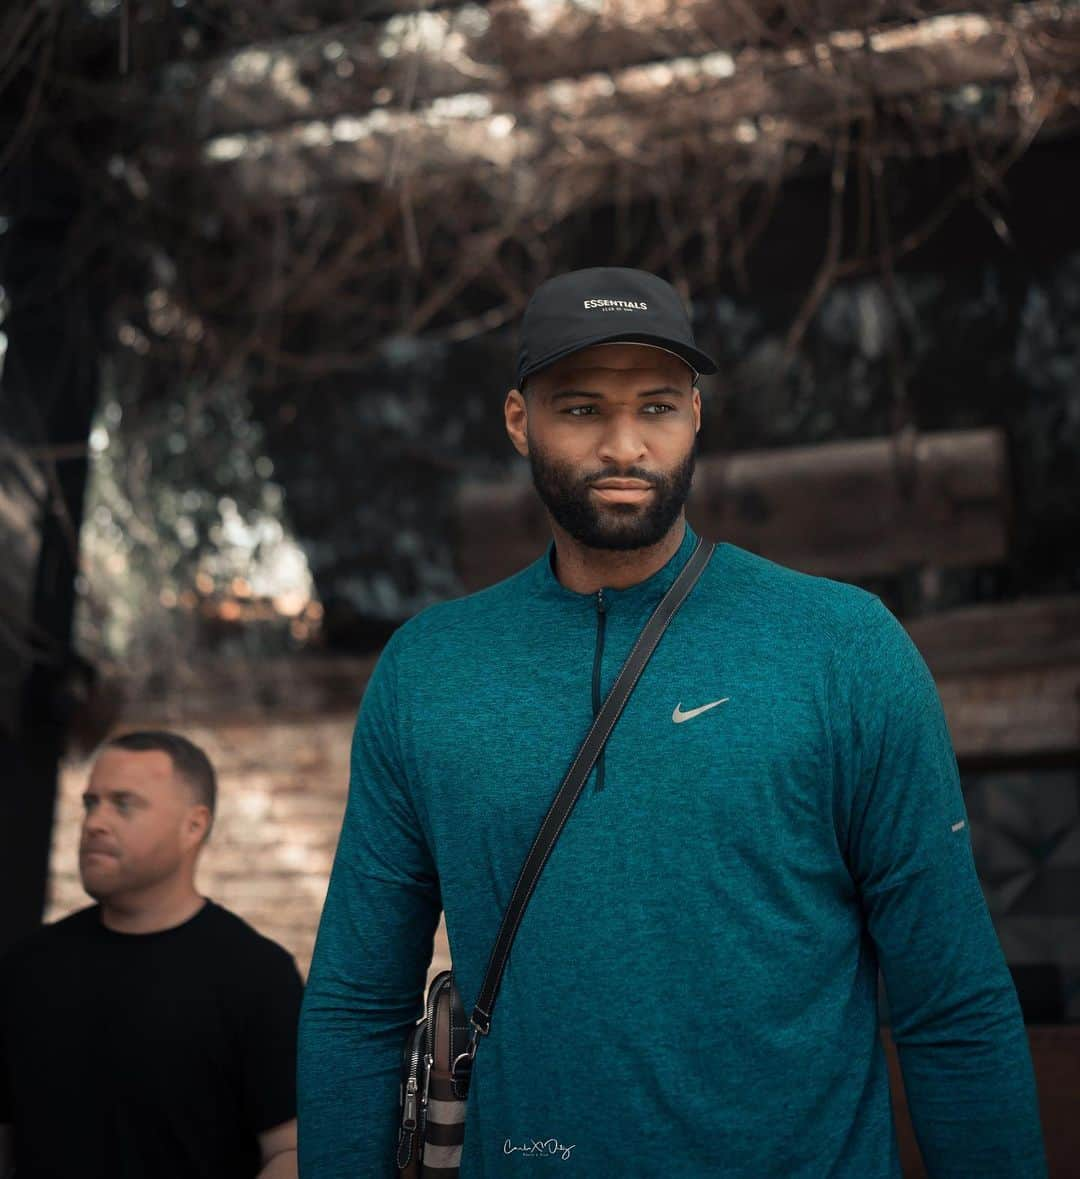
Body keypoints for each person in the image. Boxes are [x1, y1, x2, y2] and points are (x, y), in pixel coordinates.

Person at [297, 267, 1047, 1177]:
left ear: (696, 415)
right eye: (580, 409)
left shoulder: (845, 650)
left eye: (656, 406)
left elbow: (954, 1005)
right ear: (517, 419)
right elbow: (356, 1005)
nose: (624, 444)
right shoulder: (429, 670)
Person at [0, 729, 303, 1179]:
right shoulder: (27, 968)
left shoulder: (257, 975)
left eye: (123, 804)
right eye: (91, 803)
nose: (95, 822)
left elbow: (290, 1151)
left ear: (193, 826)